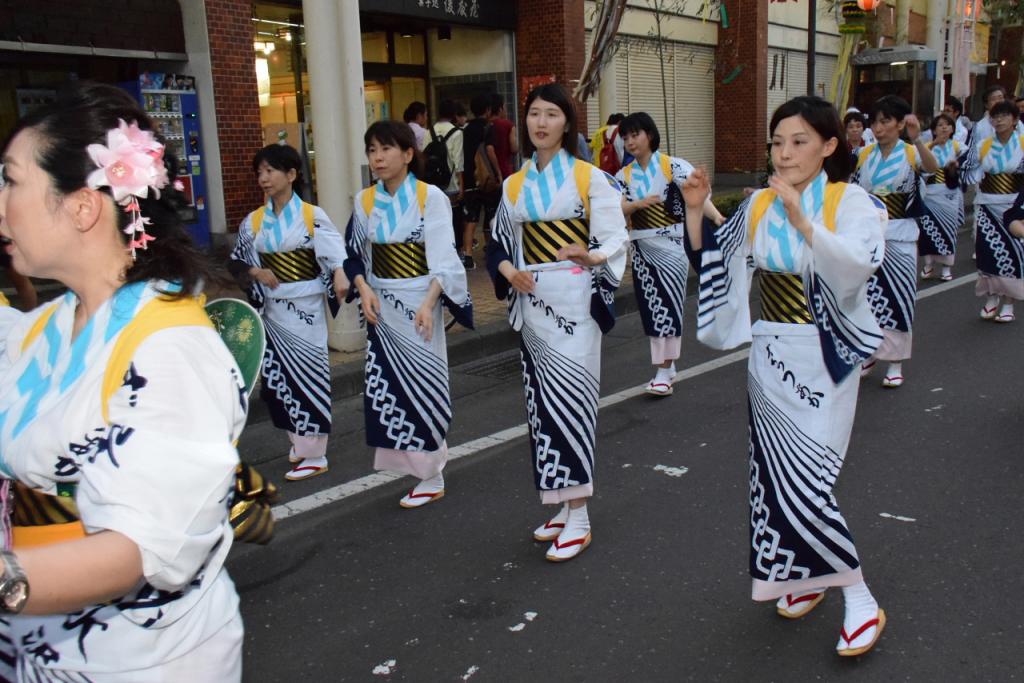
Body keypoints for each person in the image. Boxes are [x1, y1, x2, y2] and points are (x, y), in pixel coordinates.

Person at [0, 82, 245, 679]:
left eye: (10, 180)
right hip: (37, 649)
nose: (0, 201)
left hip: (137, 661)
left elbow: (135, 550)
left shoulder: (171, 346)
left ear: (83, 206)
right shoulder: (49, 326)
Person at [682, 95, 887, 658]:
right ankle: (806, 576)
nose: (786, 152)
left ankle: (858, 594)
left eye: (799, 141)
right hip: (771, 352)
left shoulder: (850, 202)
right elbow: (718, 269)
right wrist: (697, 209)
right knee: (774, 477)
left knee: (809, 478)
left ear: (828, 146)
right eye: (777, 142)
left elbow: (857, 270)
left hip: (825, 352)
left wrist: (803, 219)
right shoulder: (757, 207)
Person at [486, 83, 627, 562]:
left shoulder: (591, 178)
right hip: (533, 304)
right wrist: (509, 271)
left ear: (568, 123)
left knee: (572, 404)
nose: (540, 123)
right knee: (542, 408)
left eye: (551, 114)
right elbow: (499, 243)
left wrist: (591, 256)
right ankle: (562, 507)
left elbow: (615, 240)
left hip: (574, 301)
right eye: (533, 114)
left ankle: (581, 512)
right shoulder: (514, 184)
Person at [344, 121, 472, 508]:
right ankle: (415, 466)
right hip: (382, 304)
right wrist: (363, 288)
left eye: (386, 149)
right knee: (390, 387)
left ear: (407, 153)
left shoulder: (428, 197)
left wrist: (431, 302)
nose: (378, 157)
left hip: (419, 302)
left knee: (423, 383)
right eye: (371, 150)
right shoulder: (364, 200)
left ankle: (432, 473)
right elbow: (354, 255)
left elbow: (444, 256)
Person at [228, 144, 347, 481]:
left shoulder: (311, 215)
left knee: (308, 376)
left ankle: (315, 453)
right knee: (278, 382)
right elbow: (236, 259)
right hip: (272, 311)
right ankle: (298, 440)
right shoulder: (253, 221)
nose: (263, 179)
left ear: (291, 174)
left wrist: (339, 273)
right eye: (260, 172)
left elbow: (334, 253)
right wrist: (255, 272)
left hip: (305, 307)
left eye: (270, 171)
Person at [616, 111, 724, 395]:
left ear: (649, 135)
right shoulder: (623, 176)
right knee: (651, 308)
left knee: (669, 306)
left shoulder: (672, 166)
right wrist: (637, 205)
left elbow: (698, 196)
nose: (629, 142)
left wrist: (717, 219)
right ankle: (667, 367)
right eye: (625, 137)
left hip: (673, 247)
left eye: (634, 135)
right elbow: (616, 208)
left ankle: (664, 369)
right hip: (641, 248)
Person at [851, 95, 939, 388]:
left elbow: (932, 167)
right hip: (868, 236)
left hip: (900, 234)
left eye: (885, 121)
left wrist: (918, 141)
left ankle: (895, 361)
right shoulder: (864, 155)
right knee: (866, 298)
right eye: (875, 122)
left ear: (901, 124)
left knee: (897, 297)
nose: (878, 128)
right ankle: (869, 353)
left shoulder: (911, 152)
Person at [960, 100, 1024, 322]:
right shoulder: (983, 145)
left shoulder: (1023, 144)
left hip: (1014, 207)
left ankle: (1009, 302)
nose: (999, 120)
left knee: (1013, 255)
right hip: (986, 204)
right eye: (995, 116)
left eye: (1005, 116)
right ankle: (991, 297)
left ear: (1015, 120)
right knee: (987, 253)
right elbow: (967, 169)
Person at [919, 113, 965, 282]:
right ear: (933, 129)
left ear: (953, 128)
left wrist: (957, 166)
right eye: (940, 125)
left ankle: (946, 267)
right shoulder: (927, 146)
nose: (944, 127)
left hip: (949, 193)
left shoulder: (958, 147)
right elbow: (919, 163)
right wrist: (932, 145)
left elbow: (967, 163)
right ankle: (929, 264)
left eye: (947, 124)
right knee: (928, 230)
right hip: (930, 193)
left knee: (949, 230)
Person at [460, 94, 501, 270]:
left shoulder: (465, 128)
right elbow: (490, 151)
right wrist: (498, 172)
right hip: (486, 179)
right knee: (491, 214)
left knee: (471, 218)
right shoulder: (487, 128)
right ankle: (491, 251)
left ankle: (468, 255)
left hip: (470, 177)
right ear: (488, 110)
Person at [422, 99, 465, 246]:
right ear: (453, 113)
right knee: (452, 218)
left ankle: (438, 247)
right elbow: (458, 161)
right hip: (450, 182)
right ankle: (454, 249)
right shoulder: (457, 133)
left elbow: (424, 156)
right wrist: (461, 186)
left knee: (436, 219)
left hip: (432, 183)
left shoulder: (429, 132)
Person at [489, 93, 518, 180]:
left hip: (486, 171)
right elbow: (514, 149)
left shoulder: (486, 124)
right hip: (505, 169)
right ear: (500, 109)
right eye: (504, 107)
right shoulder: (508, 125)